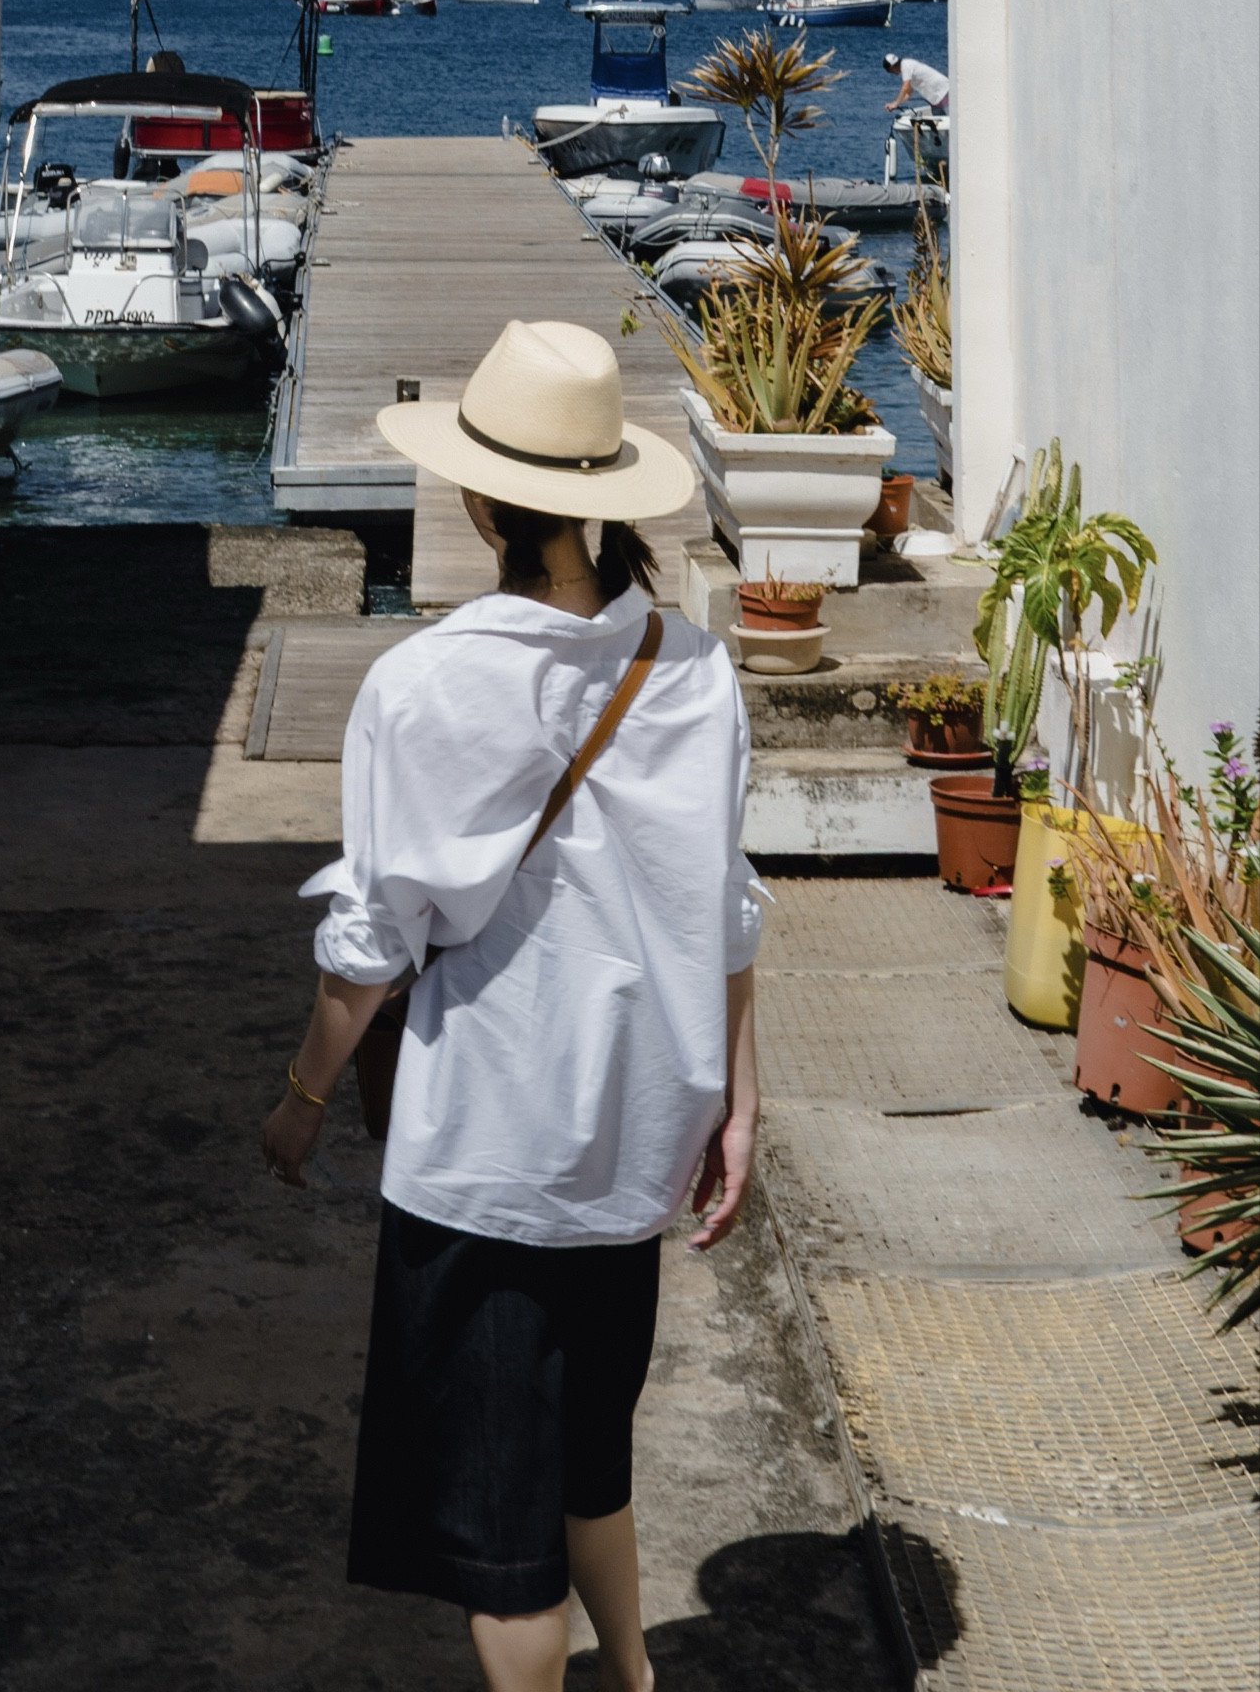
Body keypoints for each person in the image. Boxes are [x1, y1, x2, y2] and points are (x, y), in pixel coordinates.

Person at [262, 319, 764, 1692]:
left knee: (503, 1545)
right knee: (585, 1456)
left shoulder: (422, 685)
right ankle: (639, 1676)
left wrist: (305, 1095)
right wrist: (736, 1102)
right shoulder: (697, 668)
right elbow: (725, 901)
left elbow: (370, 941)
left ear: (476, 499)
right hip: (641, 1129)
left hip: (488, 1152)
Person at [883, 50, 948, 112]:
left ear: (892, 67)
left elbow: (905, 86)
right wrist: (896, 103)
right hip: (936, 99)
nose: (892, 73)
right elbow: (908, 92)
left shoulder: (906, 65)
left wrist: (895, 103)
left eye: (889, 71)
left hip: (944, 92)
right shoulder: (906, 69)